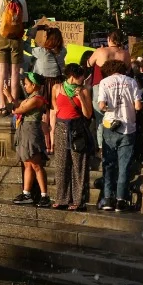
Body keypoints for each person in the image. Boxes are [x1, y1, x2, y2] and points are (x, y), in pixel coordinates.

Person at [94, 58, 143, 211]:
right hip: (128, 127)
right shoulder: (132, 82)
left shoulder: (105, 82)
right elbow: (138, 106)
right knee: (124, 165)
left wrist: (107, 107)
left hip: (110, 126)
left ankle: (108, 199)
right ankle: (121, 200)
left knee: (108, 164)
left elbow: (101, 105)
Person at [49, 65, 93, 210]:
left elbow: (88, 114)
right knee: (61, 165)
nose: (84, 80)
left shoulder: (84, 90)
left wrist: (80, 97)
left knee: (79, 165)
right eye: (82, 77)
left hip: (77, 128)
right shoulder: (57, 88)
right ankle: (62, 198)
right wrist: (52, 133)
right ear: (74, 76)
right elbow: (55, 110)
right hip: (61, 127)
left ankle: (79, 200)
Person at [11, 72, 50, 205]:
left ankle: (44, 195)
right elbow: (18, 108)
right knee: (27, 163)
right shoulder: (29, 98)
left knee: (36, 164)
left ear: (34, 85)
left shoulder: (37, 99)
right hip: (24, 130)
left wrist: (8, 96)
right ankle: (26, 193)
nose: (25, 86)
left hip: (31, 131)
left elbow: (17, 110)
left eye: (27, 84)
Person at [30, 24, 65, 101]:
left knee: (44, 107)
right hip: (57, 82)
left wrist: (34, 31)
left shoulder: (42, 51)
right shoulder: (63, 51)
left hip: (43, 83)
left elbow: (25, 45)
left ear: (48, 38)